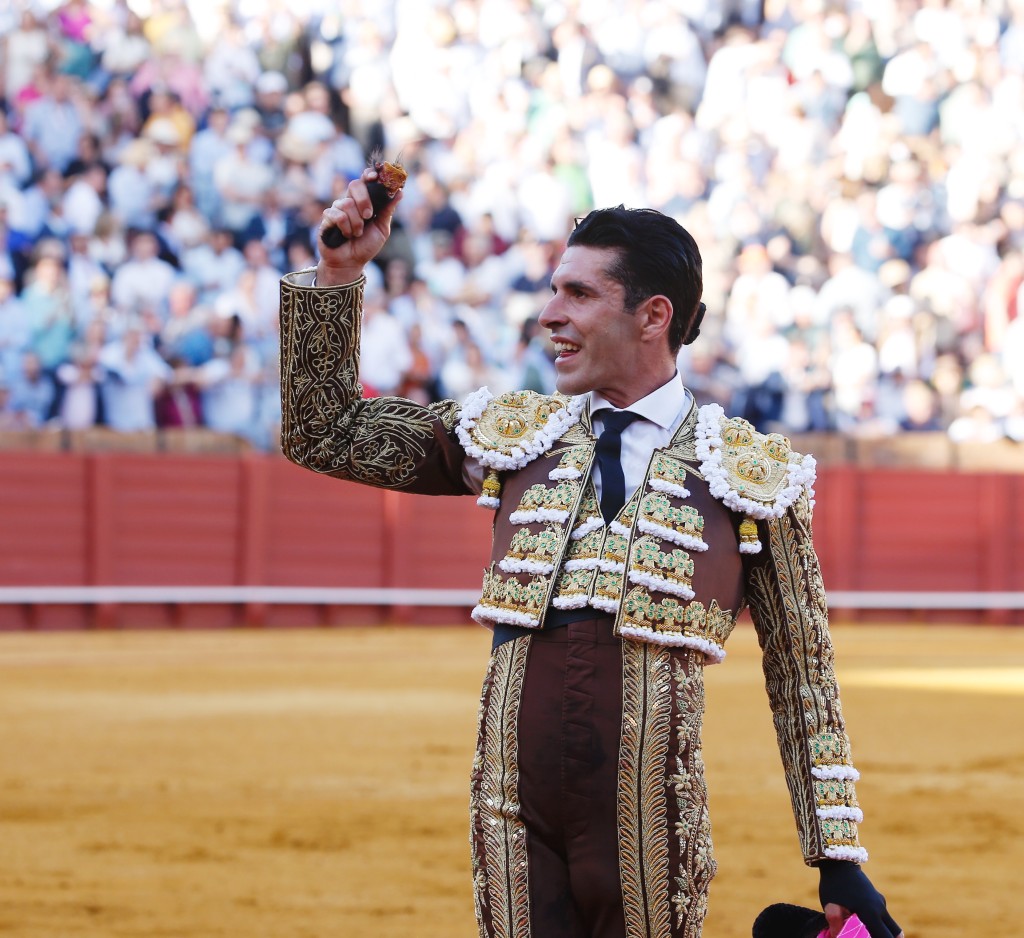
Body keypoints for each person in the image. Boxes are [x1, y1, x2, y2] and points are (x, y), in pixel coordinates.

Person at [279, 169, 904, 938]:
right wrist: (339, 276)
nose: (550, 314)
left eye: (578, 294)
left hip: (651, 827)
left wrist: (836, 854)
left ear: (653, 316)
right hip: (511, 816)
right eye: (554, 291)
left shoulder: (747, 474)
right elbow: (324, 432)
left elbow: (803, 673)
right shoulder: (512, 435)